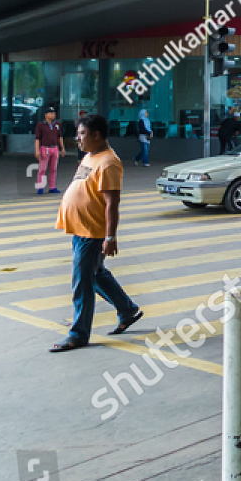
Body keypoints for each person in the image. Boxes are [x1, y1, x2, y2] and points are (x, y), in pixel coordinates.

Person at [50, 113, 143, 352]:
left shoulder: (109, 162)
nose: (77, 139)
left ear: (96, 135)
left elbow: (112, 203)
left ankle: (79, 334)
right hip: (81, 228)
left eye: (81, 134)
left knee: (82, 282)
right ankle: (128, 309)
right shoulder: (91, 157)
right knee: (97, 274)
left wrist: (110, 237)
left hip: (93, 232)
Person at [33, 105, 63, 195]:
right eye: (51, 113)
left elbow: (60, 137)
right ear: (46, 115)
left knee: (53, 169)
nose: (53, 115)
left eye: (54, 113)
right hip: (44, 148)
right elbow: (37, 139)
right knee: (42, 169)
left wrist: (62, 148)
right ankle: (40, 187)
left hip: (54, 148)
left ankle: (52, 187)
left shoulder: (57, 125)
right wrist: (37, 150)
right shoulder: (41, 125)